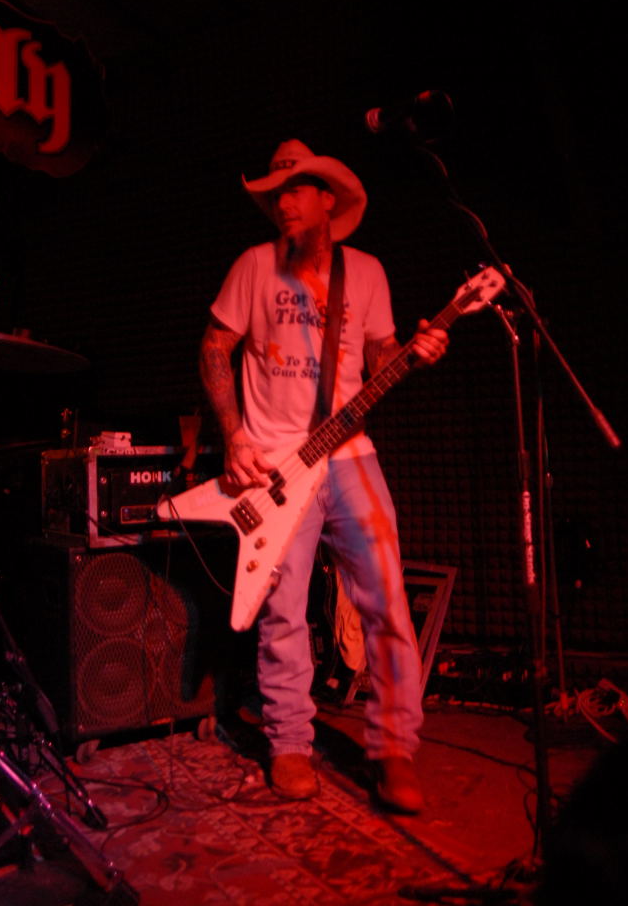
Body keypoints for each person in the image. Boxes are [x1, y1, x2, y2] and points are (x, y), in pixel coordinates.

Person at [200, 139, 448, 813]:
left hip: (350, 455)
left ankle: (394, 750)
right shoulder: (253, 267)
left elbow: (381, 354)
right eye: (274, 192)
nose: (282, 202)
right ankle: (288, 743)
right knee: (282, 610)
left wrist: (416, 352)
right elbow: (215, 346)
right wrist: (234, 434)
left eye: (294, 189)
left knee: (387, 602)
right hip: (274, 464)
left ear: (326, 198)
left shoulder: (365, 272)